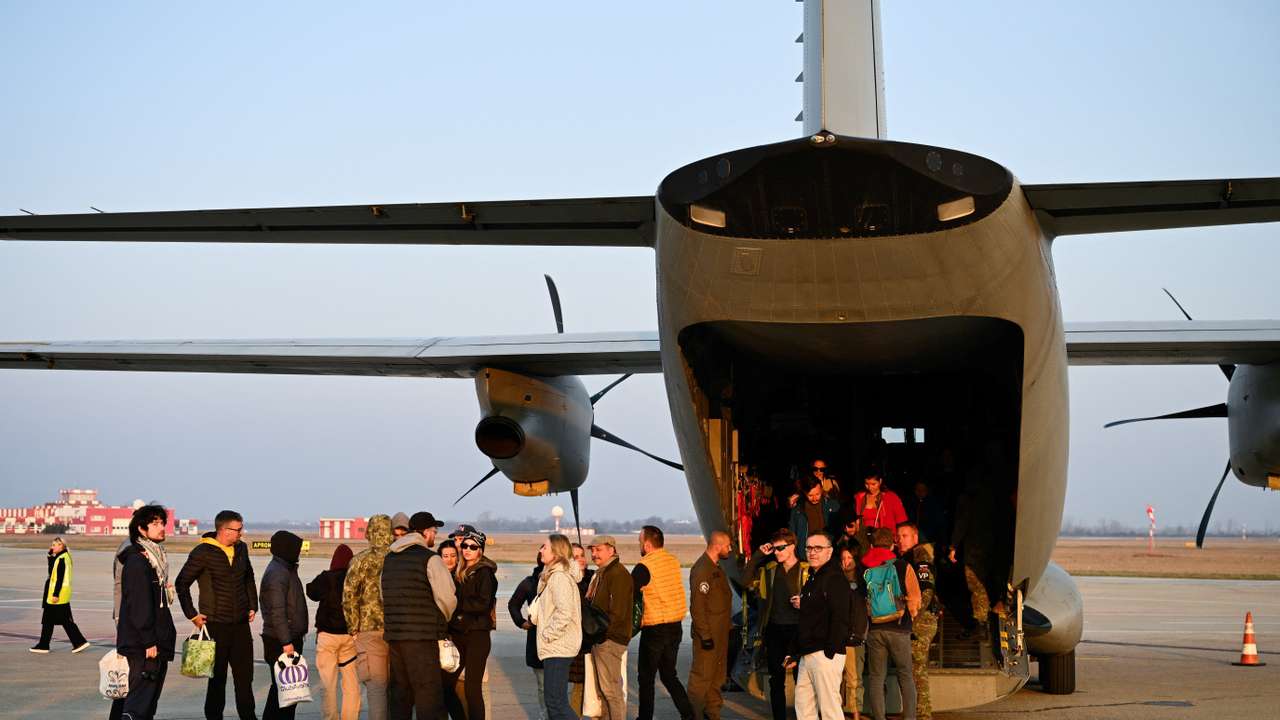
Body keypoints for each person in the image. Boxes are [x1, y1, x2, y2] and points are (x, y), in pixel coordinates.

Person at [175, 509, 259, 720]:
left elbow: (249, 577)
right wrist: (192, 614)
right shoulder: (203, 552)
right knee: (217, 680)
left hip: (240, 625)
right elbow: (181, 583)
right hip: (215, 625)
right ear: (224, 530)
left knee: (244, 679)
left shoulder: (241, 549)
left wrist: (252, 604)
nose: (241, 533)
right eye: (238, 530)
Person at [381, 511, 456, 719]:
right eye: (434, 531)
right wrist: (442, 620)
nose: (435, 535)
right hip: (422, 638)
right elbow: (447, 598)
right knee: (428, 696)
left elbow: (383, 595)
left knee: (400, 696)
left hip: (395, 638)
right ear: (425, 532)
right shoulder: (430, 559)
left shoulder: (389, 559)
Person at [110, 505, 178, 720]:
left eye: (162, 523)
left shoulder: (154, 558)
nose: (162, 528)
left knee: (137, 700)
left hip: (152, 640)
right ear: (141, 529)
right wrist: (149, 641)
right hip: (145, 645)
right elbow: (140, 605)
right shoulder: (138, 562)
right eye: (155, 523)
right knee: (139, 703)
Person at [744, 528, 807, 720]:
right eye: (775, 548)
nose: (777, 552)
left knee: (801, 680)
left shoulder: (806, 570)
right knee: (776, 679)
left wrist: (806, 603)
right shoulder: (770, 570)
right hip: (774, 630)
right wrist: (757, 556)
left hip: (798, 630)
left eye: (781, 548)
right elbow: (745, 581)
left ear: (792, 547)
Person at [633, 525, 694, 720]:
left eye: (640, 542)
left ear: (648, 544)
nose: (639, 545)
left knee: (646, 678)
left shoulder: (644, 565)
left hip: (655, 628)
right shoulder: (673, 561)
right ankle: (689, 715)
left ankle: (645, 718)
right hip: (675, 627)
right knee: (669, 676)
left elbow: (629, 592)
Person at [862, 528, 921, 720]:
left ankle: (879, 717)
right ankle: (910, 717)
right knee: (905, 675)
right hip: (899, 627)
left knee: (877, 677)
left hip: (874, 629)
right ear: (892, 544)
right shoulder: (903, 566)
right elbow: (914, 598)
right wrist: (910, 616)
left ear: (872, 545)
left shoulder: (863, 567)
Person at [792, 531, 851, 720]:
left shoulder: (834, 578)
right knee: (803, 707)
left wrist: (830, 651)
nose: (812, 552)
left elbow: (841, 616)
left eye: (818, 548)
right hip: (808, 653)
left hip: (825, 653)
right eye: (809, 548)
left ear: (829, 551)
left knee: (829, 710)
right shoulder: (812, 577)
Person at [343, 514, 394, 720]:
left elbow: (349, 596)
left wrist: (353, 628)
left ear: (369, 533)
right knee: (397, 690)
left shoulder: (359, 561)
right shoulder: (398, 558)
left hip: (369, 630)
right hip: (397, 630)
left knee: (377, 688)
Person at [445, 525, 498, 720]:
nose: (467, 549)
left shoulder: (484, 573)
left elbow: (483, 604)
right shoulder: (460, 572)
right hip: (459, 634)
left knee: (472, 689)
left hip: (477, 634)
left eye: (473, 547)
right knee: (446, 685)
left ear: (481, 550)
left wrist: (456, 603)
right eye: (465, 546)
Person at [308, 544, 361, 720]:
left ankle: (330, 717)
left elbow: (311, 592)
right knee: (351, 684)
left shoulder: (326, 578)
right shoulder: (354, 578)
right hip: (350, 637)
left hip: (327, 637)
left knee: (328, 684)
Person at [261, 530, 309, 720]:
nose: (298, 553)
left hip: (287, 638)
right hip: (281, 641)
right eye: (296, 549)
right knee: (286, 691)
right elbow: (277, 611)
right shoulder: (277, 573)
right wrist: (287, 642)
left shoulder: (285, 569)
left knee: (287, 691)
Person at [535, 534, 583, 720]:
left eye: (545, 547)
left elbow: (565, 613)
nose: (541, 550)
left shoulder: (559, 578)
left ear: (556, 553)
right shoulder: (551, 575)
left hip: (558, 647)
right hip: (556, 646)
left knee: (556, 703)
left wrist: (547, 634)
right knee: (553, 702)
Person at [687, 531, 733, 720]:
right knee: (701, 679)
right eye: (728, 545)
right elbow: (697, 606)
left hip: (720, 634)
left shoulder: (715, 566)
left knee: (717, 678)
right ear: (717, 546)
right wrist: (705, 636)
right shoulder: (702, 569)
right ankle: (694, 716)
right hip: (709, 635)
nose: (730, 549)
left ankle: (712, 714)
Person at [586, 535, 632, 720]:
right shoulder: (603, 573)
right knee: (604, 691)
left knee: (611, 691)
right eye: (592, 550)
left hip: (610, 639)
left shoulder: (618, 574)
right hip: (602, 638)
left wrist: (603, 634)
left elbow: (618, 612)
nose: (594, 554)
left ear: (611, 550)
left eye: (598, 550)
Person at [897, 522, 938, 720]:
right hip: (916, 621)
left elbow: (926, 590)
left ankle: (922, 715)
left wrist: (912, 614)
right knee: (913, 671)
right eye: (898, 536)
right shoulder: (907, 558)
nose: (900, 540)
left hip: (921, 622)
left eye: (905, 535)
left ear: (915, 537)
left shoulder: (920, 557)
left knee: (917, 671)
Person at [30, 537, 90, 654]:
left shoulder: (62, 559)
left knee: (63, 621)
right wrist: (50, 556)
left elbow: (59, 579)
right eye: (52, 545)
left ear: (61, 546)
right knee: (49, 620)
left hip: (58, 596)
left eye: (55, 545)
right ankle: (45, 644)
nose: (52, 547)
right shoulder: (61, 557)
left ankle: (78, 641)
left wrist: (55, 594)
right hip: (60, 595)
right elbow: (52, 571)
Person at [508, 554, 547, 720]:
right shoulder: (530, 582)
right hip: (537, 640)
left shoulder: (563, 580)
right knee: (543, 685)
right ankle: (545, 715)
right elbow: (513, 604)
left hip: (560, 641)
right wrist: (521, 622)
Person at [839, 547, 868, 720]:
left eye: (850, 557)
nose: (846, 561)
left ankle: (856, 712)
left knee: (854, 678)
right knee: (835, 679)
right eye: (843, 558)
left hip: (855, 637)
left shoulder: (864, 582)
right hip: (837, 636)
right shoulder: (835, 580)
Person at [568, 542, 595, 715]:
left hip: (594, 637)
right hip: (579, 641)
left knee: (594, 686)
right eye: (575, 557)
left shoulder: (594, 577)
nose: (581, 560)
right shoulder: (569, 582)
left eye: (582, 555)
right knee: (580, 685)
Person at [789, 476, 841, 554]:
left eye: (817, 494)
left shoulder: (832, 505)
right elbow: (792, 532)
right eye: (810, 495)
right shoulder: (797, 509)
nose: (814, 498)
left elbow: (839, 530)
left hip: (827, 552)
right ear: (804, 492)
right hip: (806, 553)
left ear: (821, 489)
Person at [854, 468, 907, 534]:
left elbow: (902, 521)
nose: (870, 487)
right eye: (867, 484)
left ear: (880, 481)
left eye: (873, 484)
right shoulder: (859, 498)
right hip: (864, 538)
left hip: (886, 539)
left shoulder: (891, 497)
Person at [908, 481, 947, 547]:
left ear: (927, 491)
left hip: (929, 539)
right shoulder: (911, 503)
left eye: (922, 490)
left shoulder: (933, 505)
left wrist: (942, 541)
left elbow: (940, 523)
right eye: (918, 490)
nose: (920, 492)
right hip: (914, 539)